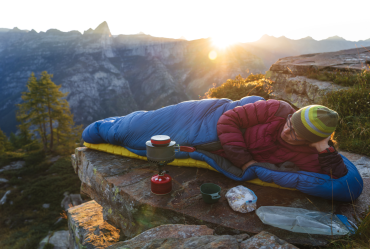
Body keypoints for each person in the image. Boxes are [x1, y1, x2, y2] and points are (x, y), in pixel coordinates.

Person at [215, 99, 347, 178]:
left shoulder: (306, 154)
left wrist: (323, 147)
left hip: (223, 150)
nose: (286, 130)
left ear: (309, 141)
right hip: (215, 128)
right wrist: (245, 162)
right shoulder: (277, 110)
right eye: (290, 122)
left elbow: (333, 178)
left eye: (296, 133)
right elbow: (229, 118)